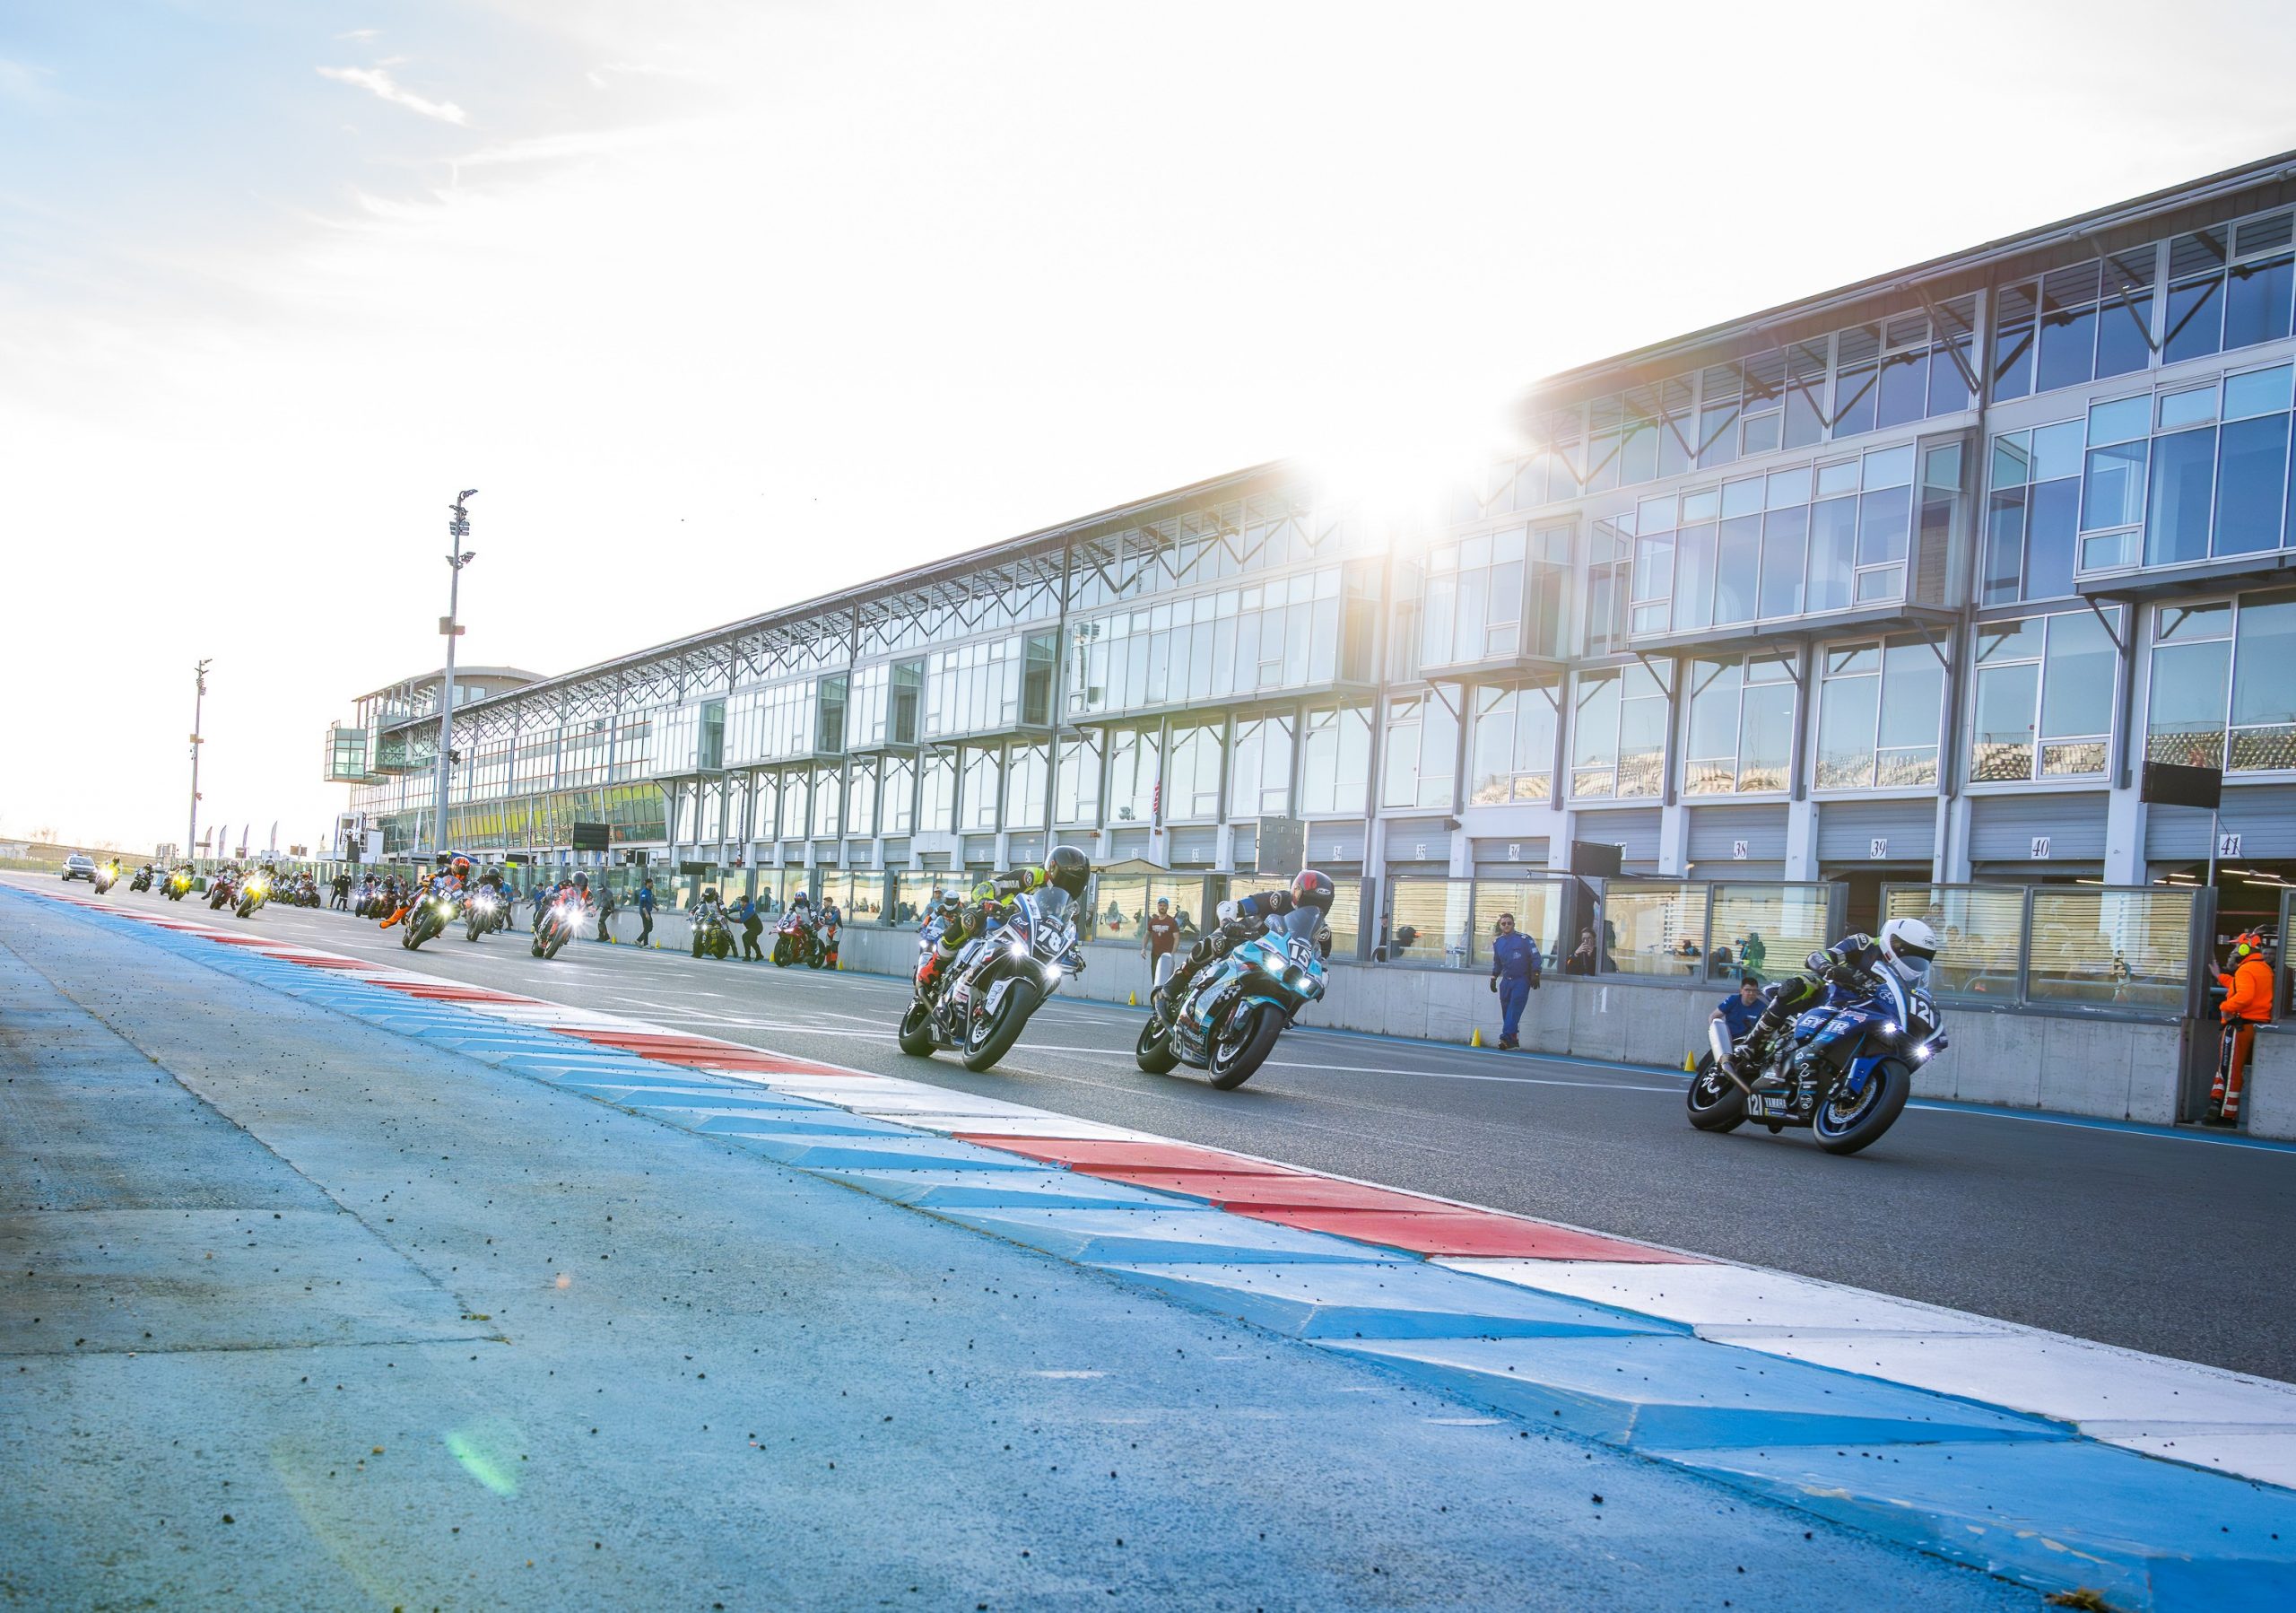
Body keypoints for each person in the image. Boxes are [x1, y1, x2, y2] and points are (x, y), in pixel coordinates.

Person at [1723, 919, 1939, 1079]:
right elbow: (1819, 956)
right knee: (1801, 985)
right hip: (1833, 995)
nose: (1915, 962)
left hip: (1869, 1011)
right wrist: (1829, 967)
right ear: (1895, 943)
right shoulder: (1865, 943)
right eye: (1910, 953)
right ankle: (1751, 1045)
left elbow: (1915, 998)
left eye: (1922, 958)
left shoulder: (1916, 979)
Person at [1155, 871, 1334, 1021]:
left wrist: (1321, 981)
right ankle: (1173, 986)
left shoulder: (1322, 932)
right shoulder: (1278, 900)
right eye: (1309, 899)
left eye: (1320, 903)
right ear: (1297, 891)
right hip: (1243, 938)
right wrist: (1227, 922)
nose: (1313, 906)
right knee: (1214, 944)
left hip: (1277, 965)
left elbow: (1321, 963)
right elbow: (1232, 906)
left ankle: (1281, 1015)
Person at [918, 845, 1091, 992]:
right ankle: (935, 966)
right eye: (1066, 879)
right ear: (1052, 869)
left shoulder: (1067, 905)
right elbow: (989, 886)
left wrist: (1074, 951)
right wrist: (987, 901)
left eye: (1075, 883)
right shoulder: (1033, 876)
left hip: (1029, 940)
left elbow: (1067, 931)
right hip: (999, 917)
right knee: (970, 919)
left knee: (1054, 976)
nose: (1068, 885)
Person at [2210, 930, 2275, 1127]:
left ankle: (2225, 1116)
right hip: (2252, 1025)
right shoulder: (2262, 968)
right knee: (2229, 1068)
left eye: (2238, 946)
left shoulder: (2246, 969)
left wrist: (2225, 1007)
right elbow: (2238, 986)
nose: (2236, 949)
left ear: (2246, 948)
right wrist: (2220, 976)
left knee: (2230, 1070)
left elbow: (2244, 996)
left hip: (2239, 1026)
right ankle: (2219, 1106)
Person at [1486, 910, 1541, 1051]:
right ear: (1500, 926)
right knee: (1506, 1011)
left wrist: (1536, 973)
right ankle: (1513, 1040)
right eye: (1503, 923)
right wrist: (1494, 977)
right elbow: (1497, 962)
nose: (1506, 926)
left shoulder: (1524, 939)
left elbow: (1535, 956)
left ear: (1514, 924)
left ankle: (1505, 1037)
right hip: (1506, 981)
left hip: (1521, 980)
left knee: (1514, 1009)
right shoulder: (1498, 942)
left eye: (1509, 923)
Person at [1710, 974, 1765, 1055]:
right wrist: (1716, 1038)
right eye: (1748, 990)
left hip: (1747, 1045)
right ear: (1741, 991)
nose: (1751, 993)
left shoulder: (1762, 1007)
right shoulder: (1733, 1000)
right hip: (1727, 1041)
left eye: (1754, 991)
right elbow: (1713, 1017)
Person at [1142, 897, 1181, 990]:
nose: (1162, 907)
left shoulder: (1172, 922)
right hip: (1155, 955)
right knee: (1155, 979)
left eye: (1164, 905)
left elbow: (1177, 938)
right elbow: (1147, 935)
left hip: (1166, 956)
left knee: (1166, 981)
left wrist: (1172, 954)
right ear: (1158, 906)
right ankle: (1156, 997)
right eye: (1160, 905)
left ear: (1167, 907)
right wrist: (1143, 948)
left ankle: (1164, 997)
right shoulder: (1153, 921)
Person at [739, 894, 765, 960]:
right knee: (752, 941)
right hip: (752, 928)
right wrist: (727, 911)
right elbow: (734, 909)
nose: (742, 904)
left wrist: (729, 918)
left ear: (747, 903)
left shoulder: (749, 910)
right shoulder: (743, 908)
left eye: (744, 903)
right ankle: (759, 955)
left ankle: (747, 956)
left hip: (756, 928)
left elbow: (740, 920)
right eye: (741, 902)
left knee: (745, 937)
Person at [634, 878, 656, 947]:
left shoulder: (649, 892)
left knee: (650, 928)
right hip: (644, 912)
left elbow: (650, 902)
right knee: (647, 927)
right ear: (648, 884)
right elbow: (643, 904)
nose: (652, 885)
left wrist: (655, 907)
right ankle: (645, 943)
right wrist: (646, 914)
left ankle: (639, 940)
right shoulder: (644, 892)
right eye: (651, 883)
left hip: (648, 911)